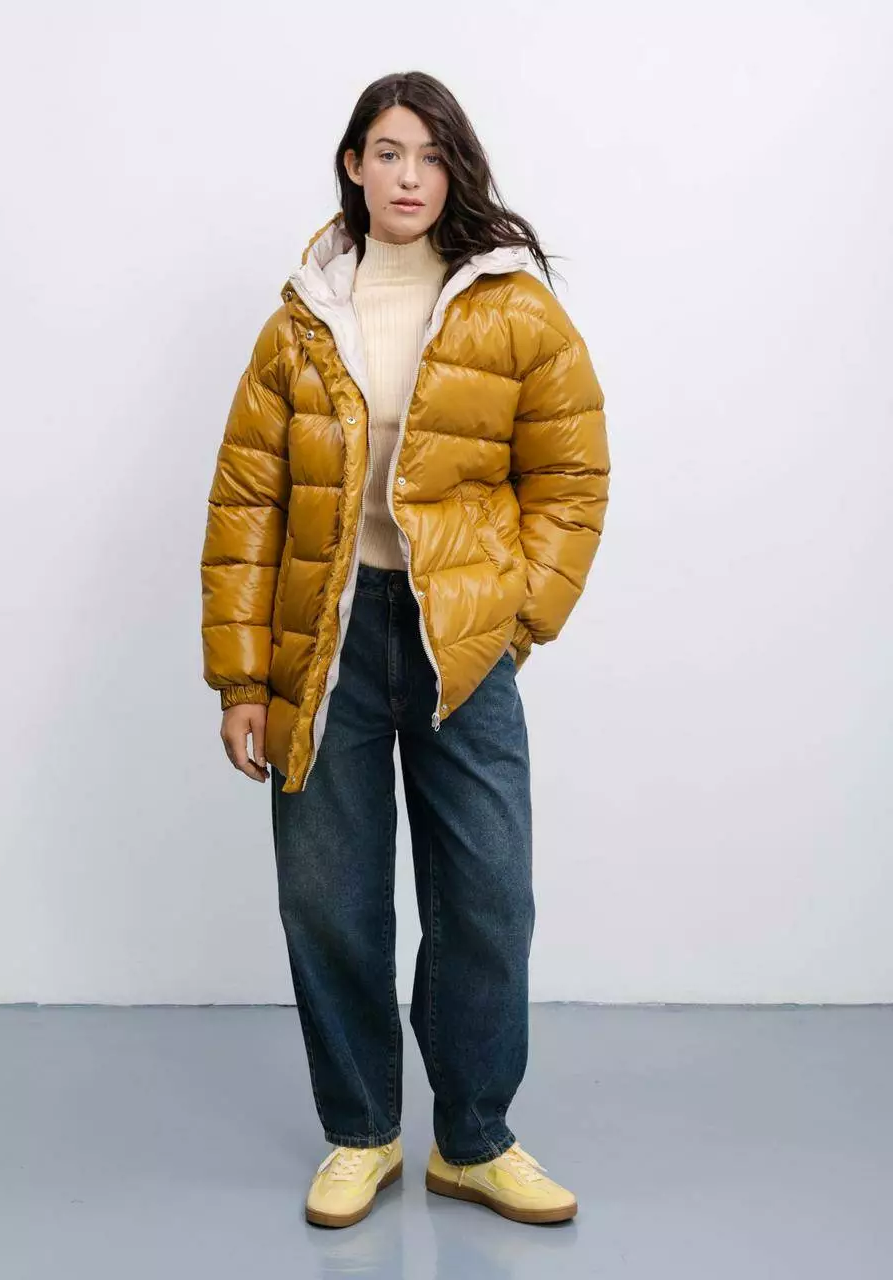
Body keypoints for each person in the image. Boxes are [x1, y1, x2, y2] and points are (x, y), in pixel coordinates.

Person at [200, 70, 610, 1228]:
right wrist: (242, 678)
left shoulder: (511, 308)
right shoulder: (302, 319)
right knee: (329, 899)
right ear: (354, 165)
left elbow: (572, 475)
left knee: (488, 897)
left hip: (458, 644)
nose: (410, 177)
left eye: (430, 155)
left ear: (455, 169)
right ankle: (363, 1131)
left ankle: (474, 1139)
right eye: (388, 153)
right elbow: (248, 504)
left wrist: (514, 617)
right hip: (325, 640)